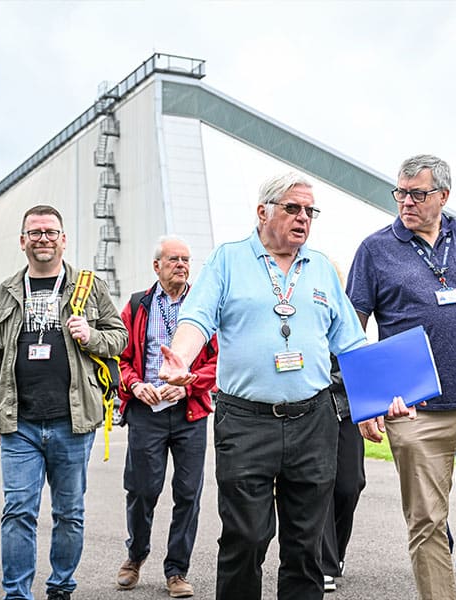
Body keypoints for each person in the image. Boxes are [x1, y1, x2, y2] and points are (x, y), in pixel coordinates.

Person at [158, 173, 368, 600]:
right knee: (247, 538)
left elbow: (352, 341)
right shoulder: (228, 260)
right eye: (293, 208)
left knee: (307, 547)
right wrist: (181, 356)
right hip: (246, 421)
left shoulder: (322, 268)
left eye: (310, 211)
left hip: (314, 420)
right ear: (263, 212)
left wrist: (378, 398)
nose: (303, 218)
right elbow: (197, 317)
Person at [347, 154, 456, 600]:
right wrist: (369, 400)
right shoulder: (375, 249)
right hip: (417, 410)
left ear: (444, 196)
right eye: (401, 192)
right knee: (427, 520)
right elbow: (353, 325)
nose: (406, 201)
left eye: (417, 193)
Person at [0, 205, 128, 600]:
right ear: (22, 241)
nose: (43, 238)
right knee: (18, 512)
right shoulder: (7, 291)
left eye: (50, 231)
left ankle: (61, 587)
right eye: (35, 232)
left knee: (69, 515)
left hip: (72, 423)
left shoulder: (88, 286)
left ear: (63, 239)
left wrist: (91, 336)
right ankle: (17, 594)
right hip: (19, 423)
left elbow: (121, 338)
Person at [115, 236, 218, 598]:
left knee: (188, 493)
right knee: (142, 490)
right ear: (156, 265)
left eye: (186, 259)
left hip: (189, 413)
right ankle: (135, 555)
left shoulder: (204, 305)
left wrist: (189, 386)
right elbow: (121, 359)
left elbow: (219, 362)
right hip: (147, 411)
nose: (181, 265)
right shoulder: (137, 305)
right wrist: (134, 385)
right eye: (173, 259)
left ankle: (177, 571)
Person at [321, 354, 366, 593]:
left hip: (347, 407)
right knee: (320, 485)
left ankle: (336, 552)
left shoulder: (347, 317)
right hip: (310, 409)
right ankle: (324, 564)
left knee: (351, 485)